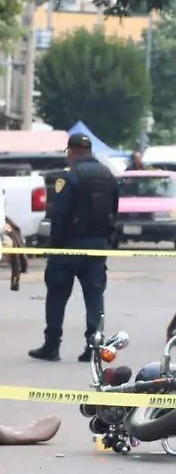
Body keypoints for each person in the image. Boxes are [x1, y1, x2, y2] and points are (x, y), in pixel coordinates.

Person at [28, 133, 119, 362]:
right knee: (94, 295)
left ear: (71, 152)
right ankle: (94, 347)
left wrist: (54, 247)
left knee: (57, 296)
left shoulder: (69, 177)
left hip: (68, 246)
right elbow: (114, 211)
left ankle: (52, 346)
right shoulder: (108, 175)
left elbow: (59, 215)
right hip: (97, 245)